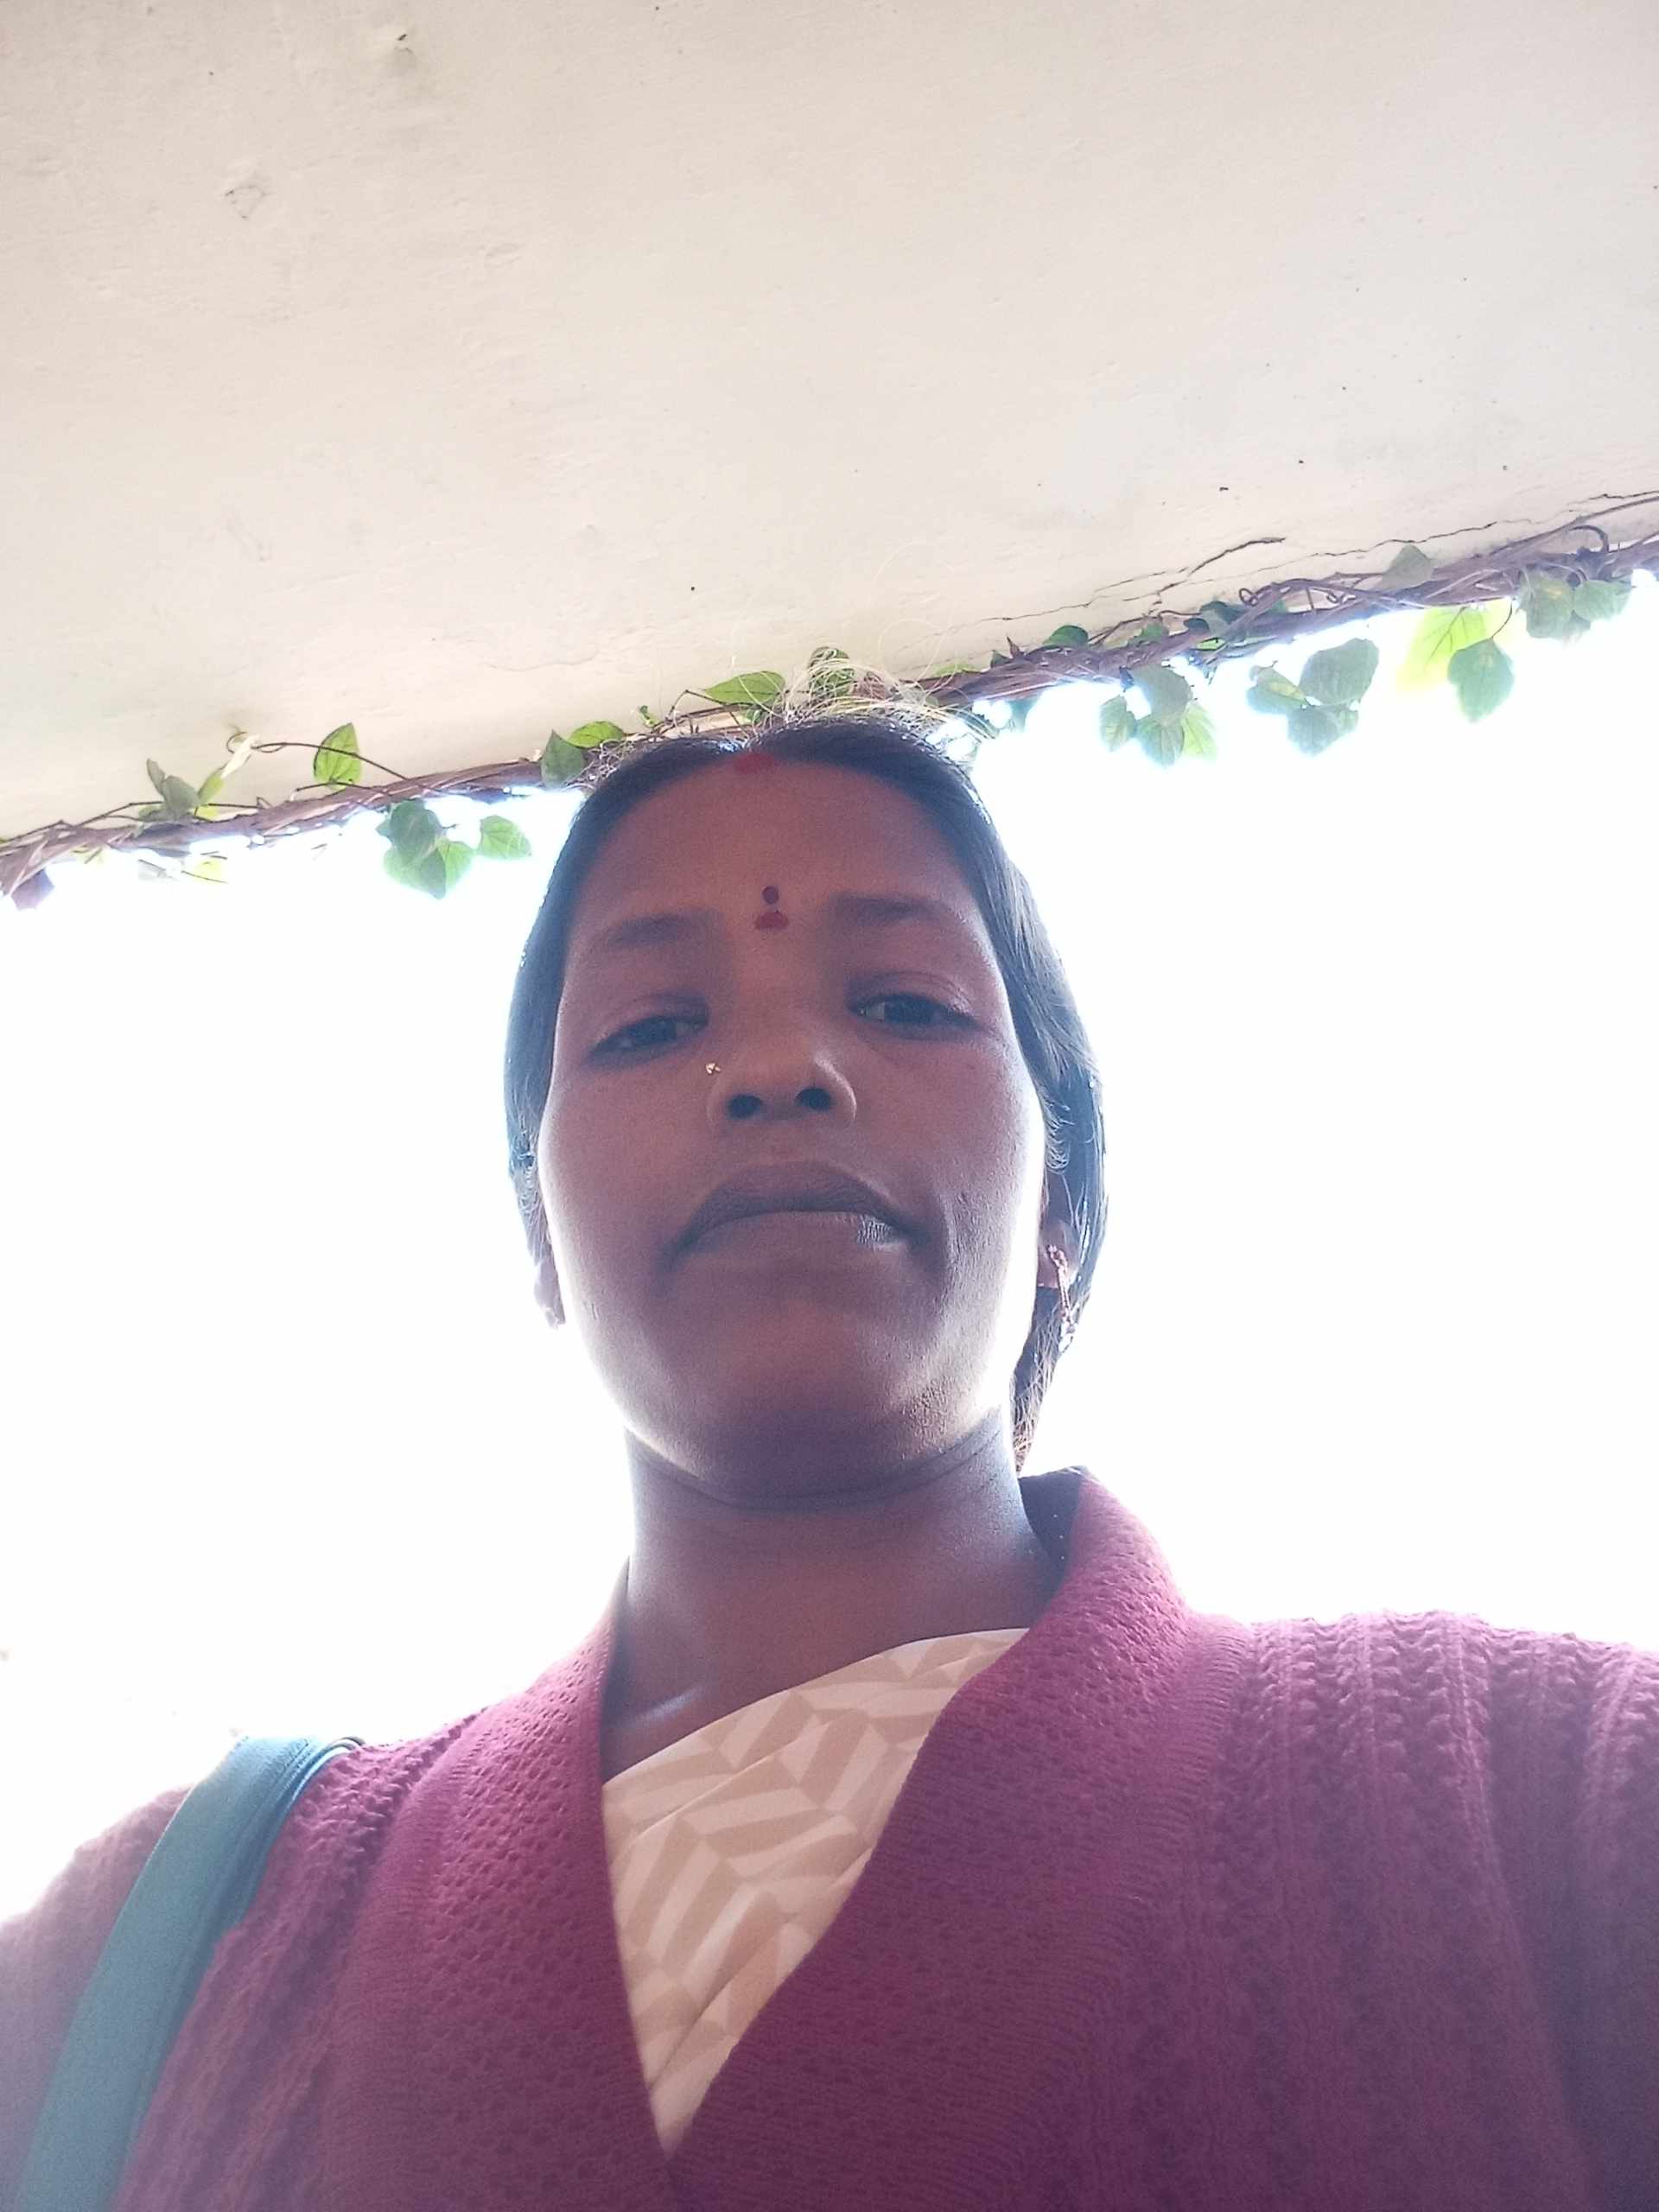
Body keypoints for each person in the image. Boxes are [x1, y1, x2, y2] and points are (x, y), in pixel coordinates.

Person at [3, 694, 1656, 2212]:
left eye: (905, 1004)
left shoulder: (1556, 1802)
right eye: (649, 1027)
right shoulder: (141, 1957)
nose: (784, 1070)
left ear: (1063, 1204)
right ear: (538, 1236)